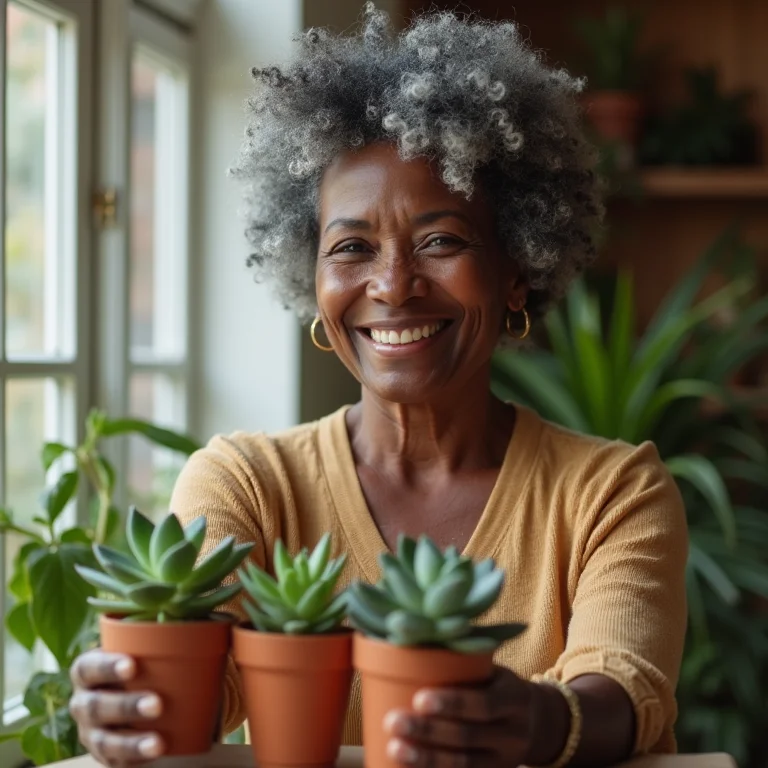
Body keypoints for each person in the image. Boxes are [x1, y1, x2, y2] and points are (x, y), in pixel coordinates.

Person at [69, 5, 687, 767]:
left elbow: (627, 694)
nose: (392, 286)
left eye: (441, 241)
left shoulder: (612, 493)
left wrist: (530, 718)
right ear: (314, 282)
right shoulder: (247, 485)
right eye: (352, 247)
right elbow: (208, 681)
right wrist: (131, 700)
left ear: (516, 270)